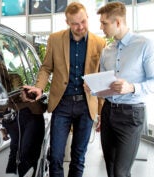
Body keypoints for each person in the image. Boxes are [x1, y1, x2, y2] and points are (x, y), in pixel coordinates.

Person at [22, 2, 106, 177]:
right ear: (67, 22)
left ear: (87, 18)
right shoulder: (55, 39)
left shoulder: (100, 43)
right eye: (75, 23)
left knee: (78, 157)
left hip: (86, 105)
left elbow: (102, 77)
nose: (80, 27)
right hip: (62, 104)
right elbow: (46, 68)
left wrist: (101, 111)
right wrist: (39, 87)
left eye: (83, 21)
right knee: (56, 156)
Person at [95, 2, 154, 177]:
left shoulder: (145, 45)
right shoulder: (106, 51)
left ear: (117, 22)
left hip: (131, 114)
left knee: (121, 171)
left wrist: (131, 87)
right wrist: (93, 88)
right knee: (109, 167)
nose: (101, 27)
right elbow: (104, 86)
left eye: (104, 23)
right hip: (108, 111)